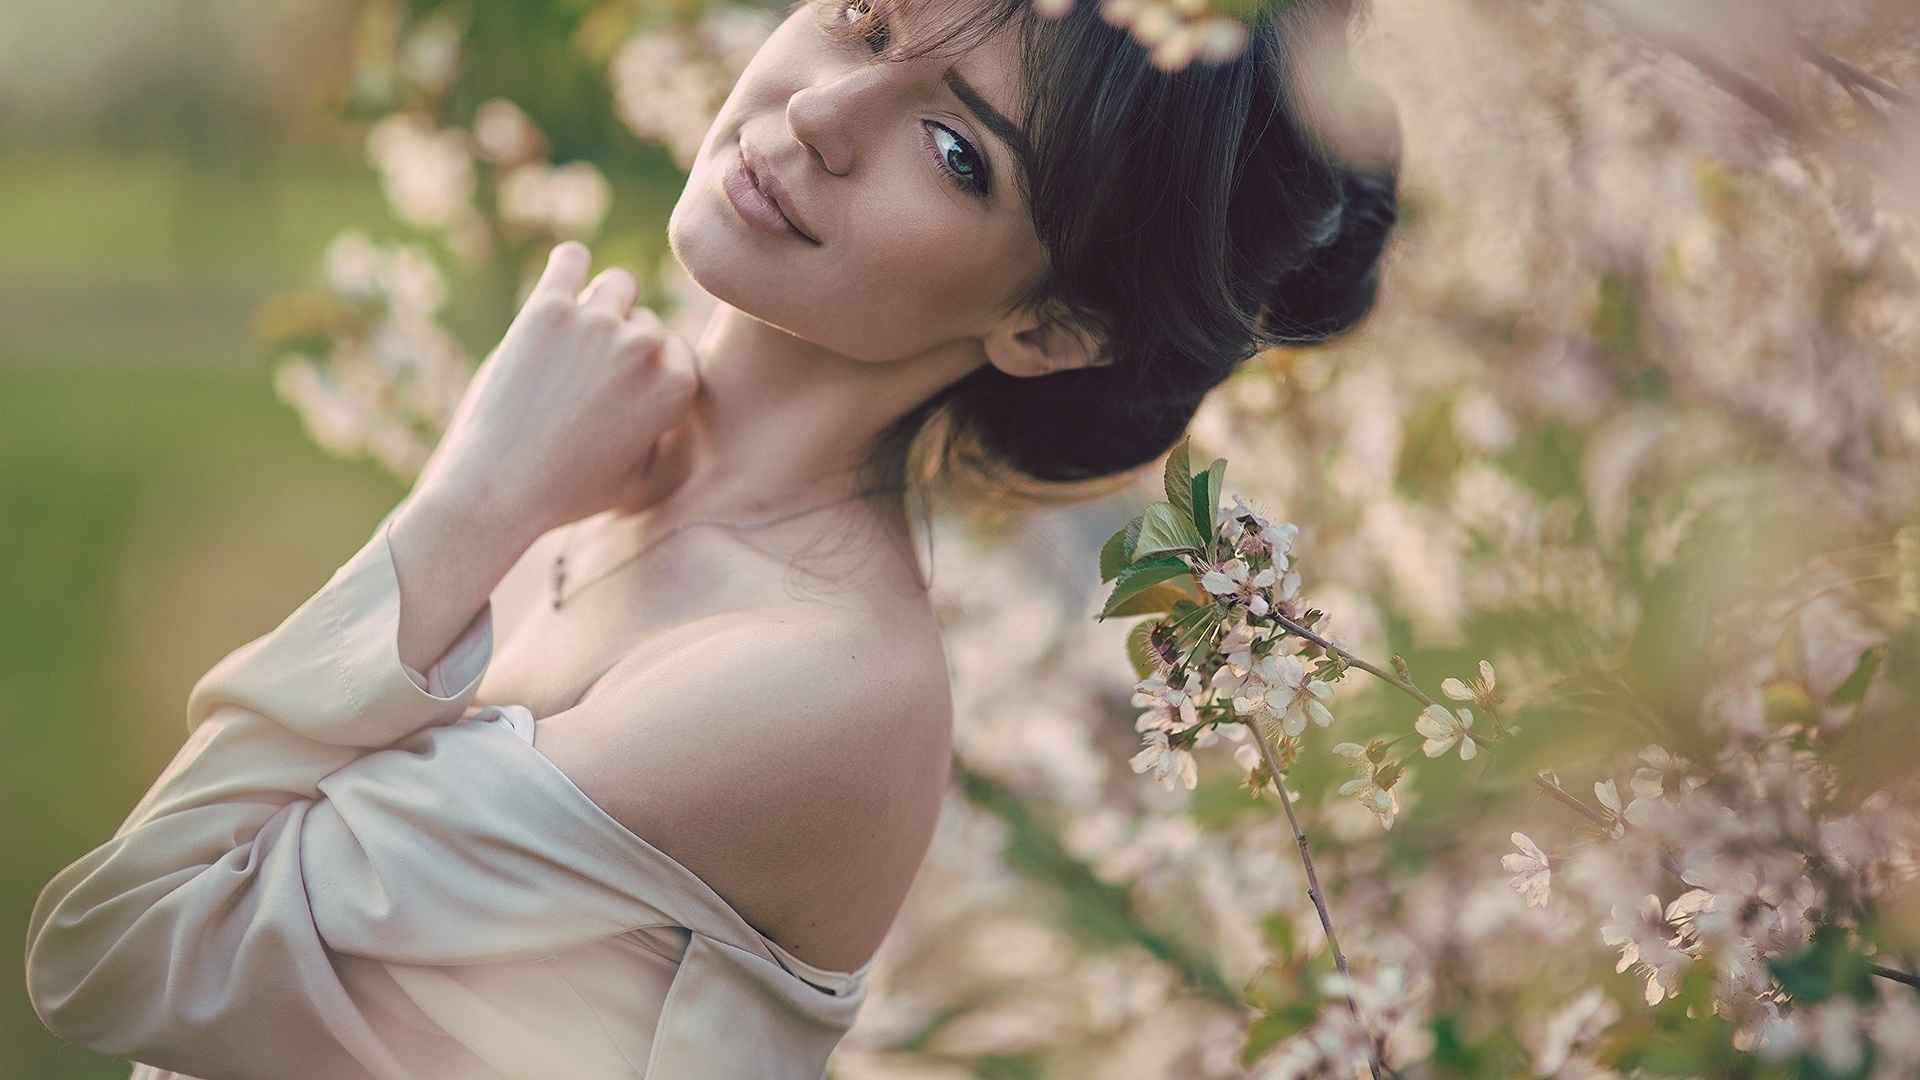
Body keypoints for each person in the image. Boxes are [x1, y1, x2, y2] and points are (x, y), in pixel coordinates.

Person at [24, 0, 1398, 1075]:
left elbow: (121, 953)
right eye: (862, 18)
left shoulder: (810, 682)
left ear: (1047, 328)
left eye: (956, 150)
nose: (820, 111)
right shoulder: (596, 458)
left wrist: (463, 505)